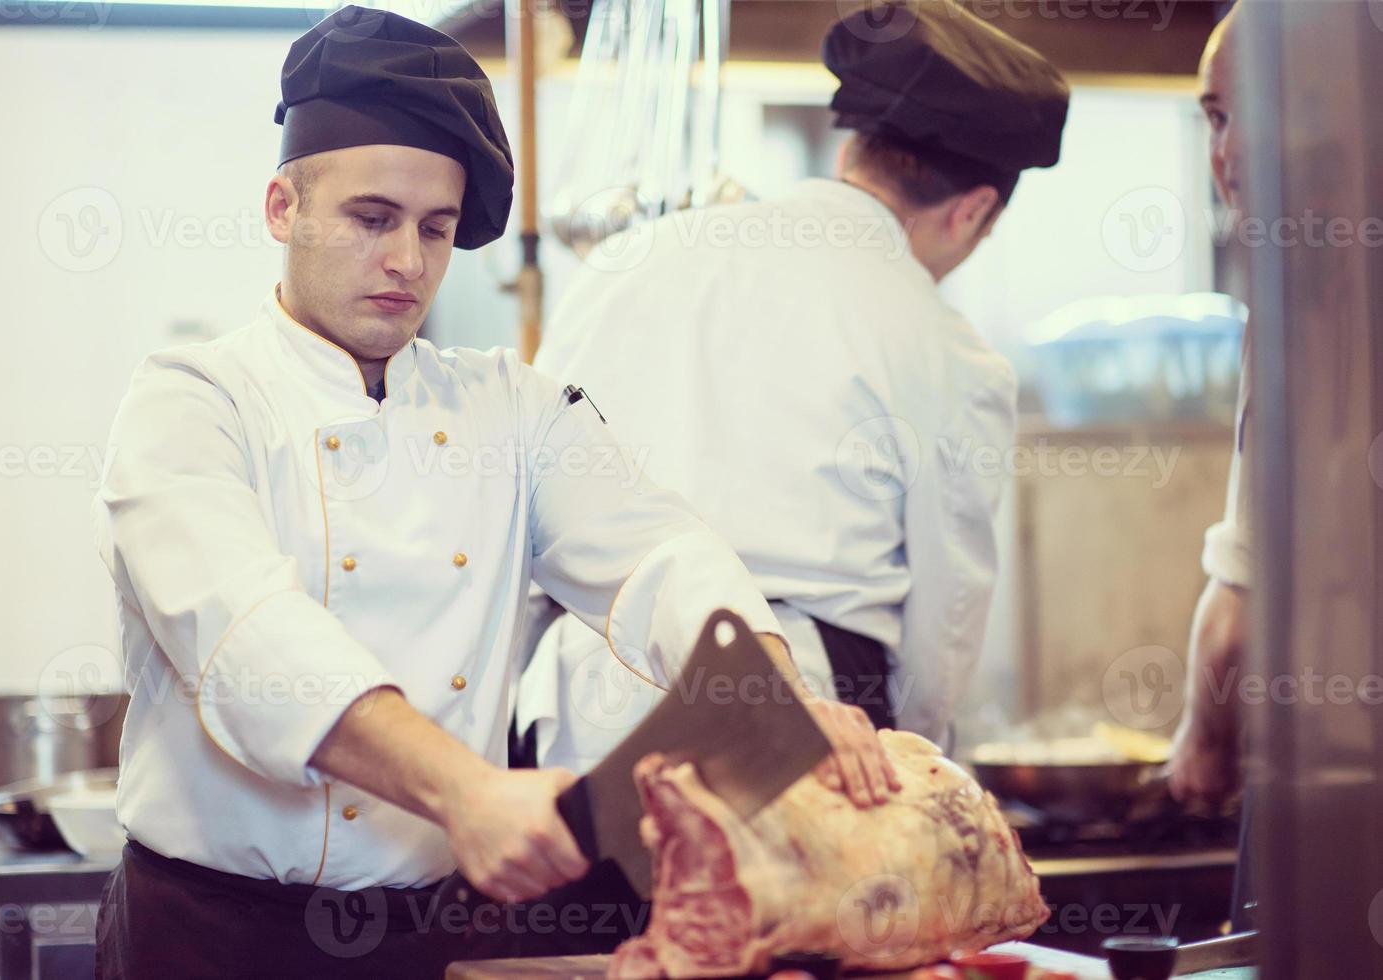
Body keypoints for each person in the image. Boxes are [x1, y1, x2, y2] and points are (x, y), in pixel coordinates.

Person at [89, 8, 895, 978]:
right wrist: (467, 791)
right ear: (281, 207)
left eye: (435, 229)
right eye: (371, 217)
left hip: (436, 936)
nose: (408, 262)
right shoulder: (190, 400)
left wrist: (775, 684)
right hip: (211, 936)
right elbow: (249, 637)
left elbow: (657, 555)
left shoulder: (511, 408)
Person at [514, 0, 1070, 773]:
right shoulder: (950, 354)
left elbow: (527, 501)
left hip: (580, 711)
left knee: (594, 901)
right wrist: (909, 757)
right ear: (972, 210)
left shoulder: (628, 260)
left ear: (853, 151)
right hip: (801, 725)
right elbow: (943, 626)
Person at [1164, 0, 1256, 931]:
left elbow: (1239, 606)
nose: (1225, 155)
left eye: (1247, 115)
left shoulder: (1314, 297)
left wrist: (1202, 741)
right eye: (1212, 118)